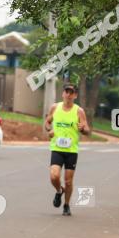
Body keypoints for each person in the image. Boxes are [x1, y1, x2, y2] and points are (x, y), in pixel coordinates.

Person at [45, 83, 90, 216]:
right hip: (57, 148)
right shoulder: (55, 107)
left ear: (75, 95)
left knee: (68, 181)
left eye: (72, 92)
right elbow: (47, 122)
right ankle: (59, 191)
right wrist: (49, 130)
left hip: (71, 150)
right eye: (67, 91)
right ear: (63, 93)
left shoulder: (79, 111)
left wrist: (83, 129)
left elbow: (87, 130)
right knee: (54, 176)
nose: (69, 95)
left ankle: (66, 205)